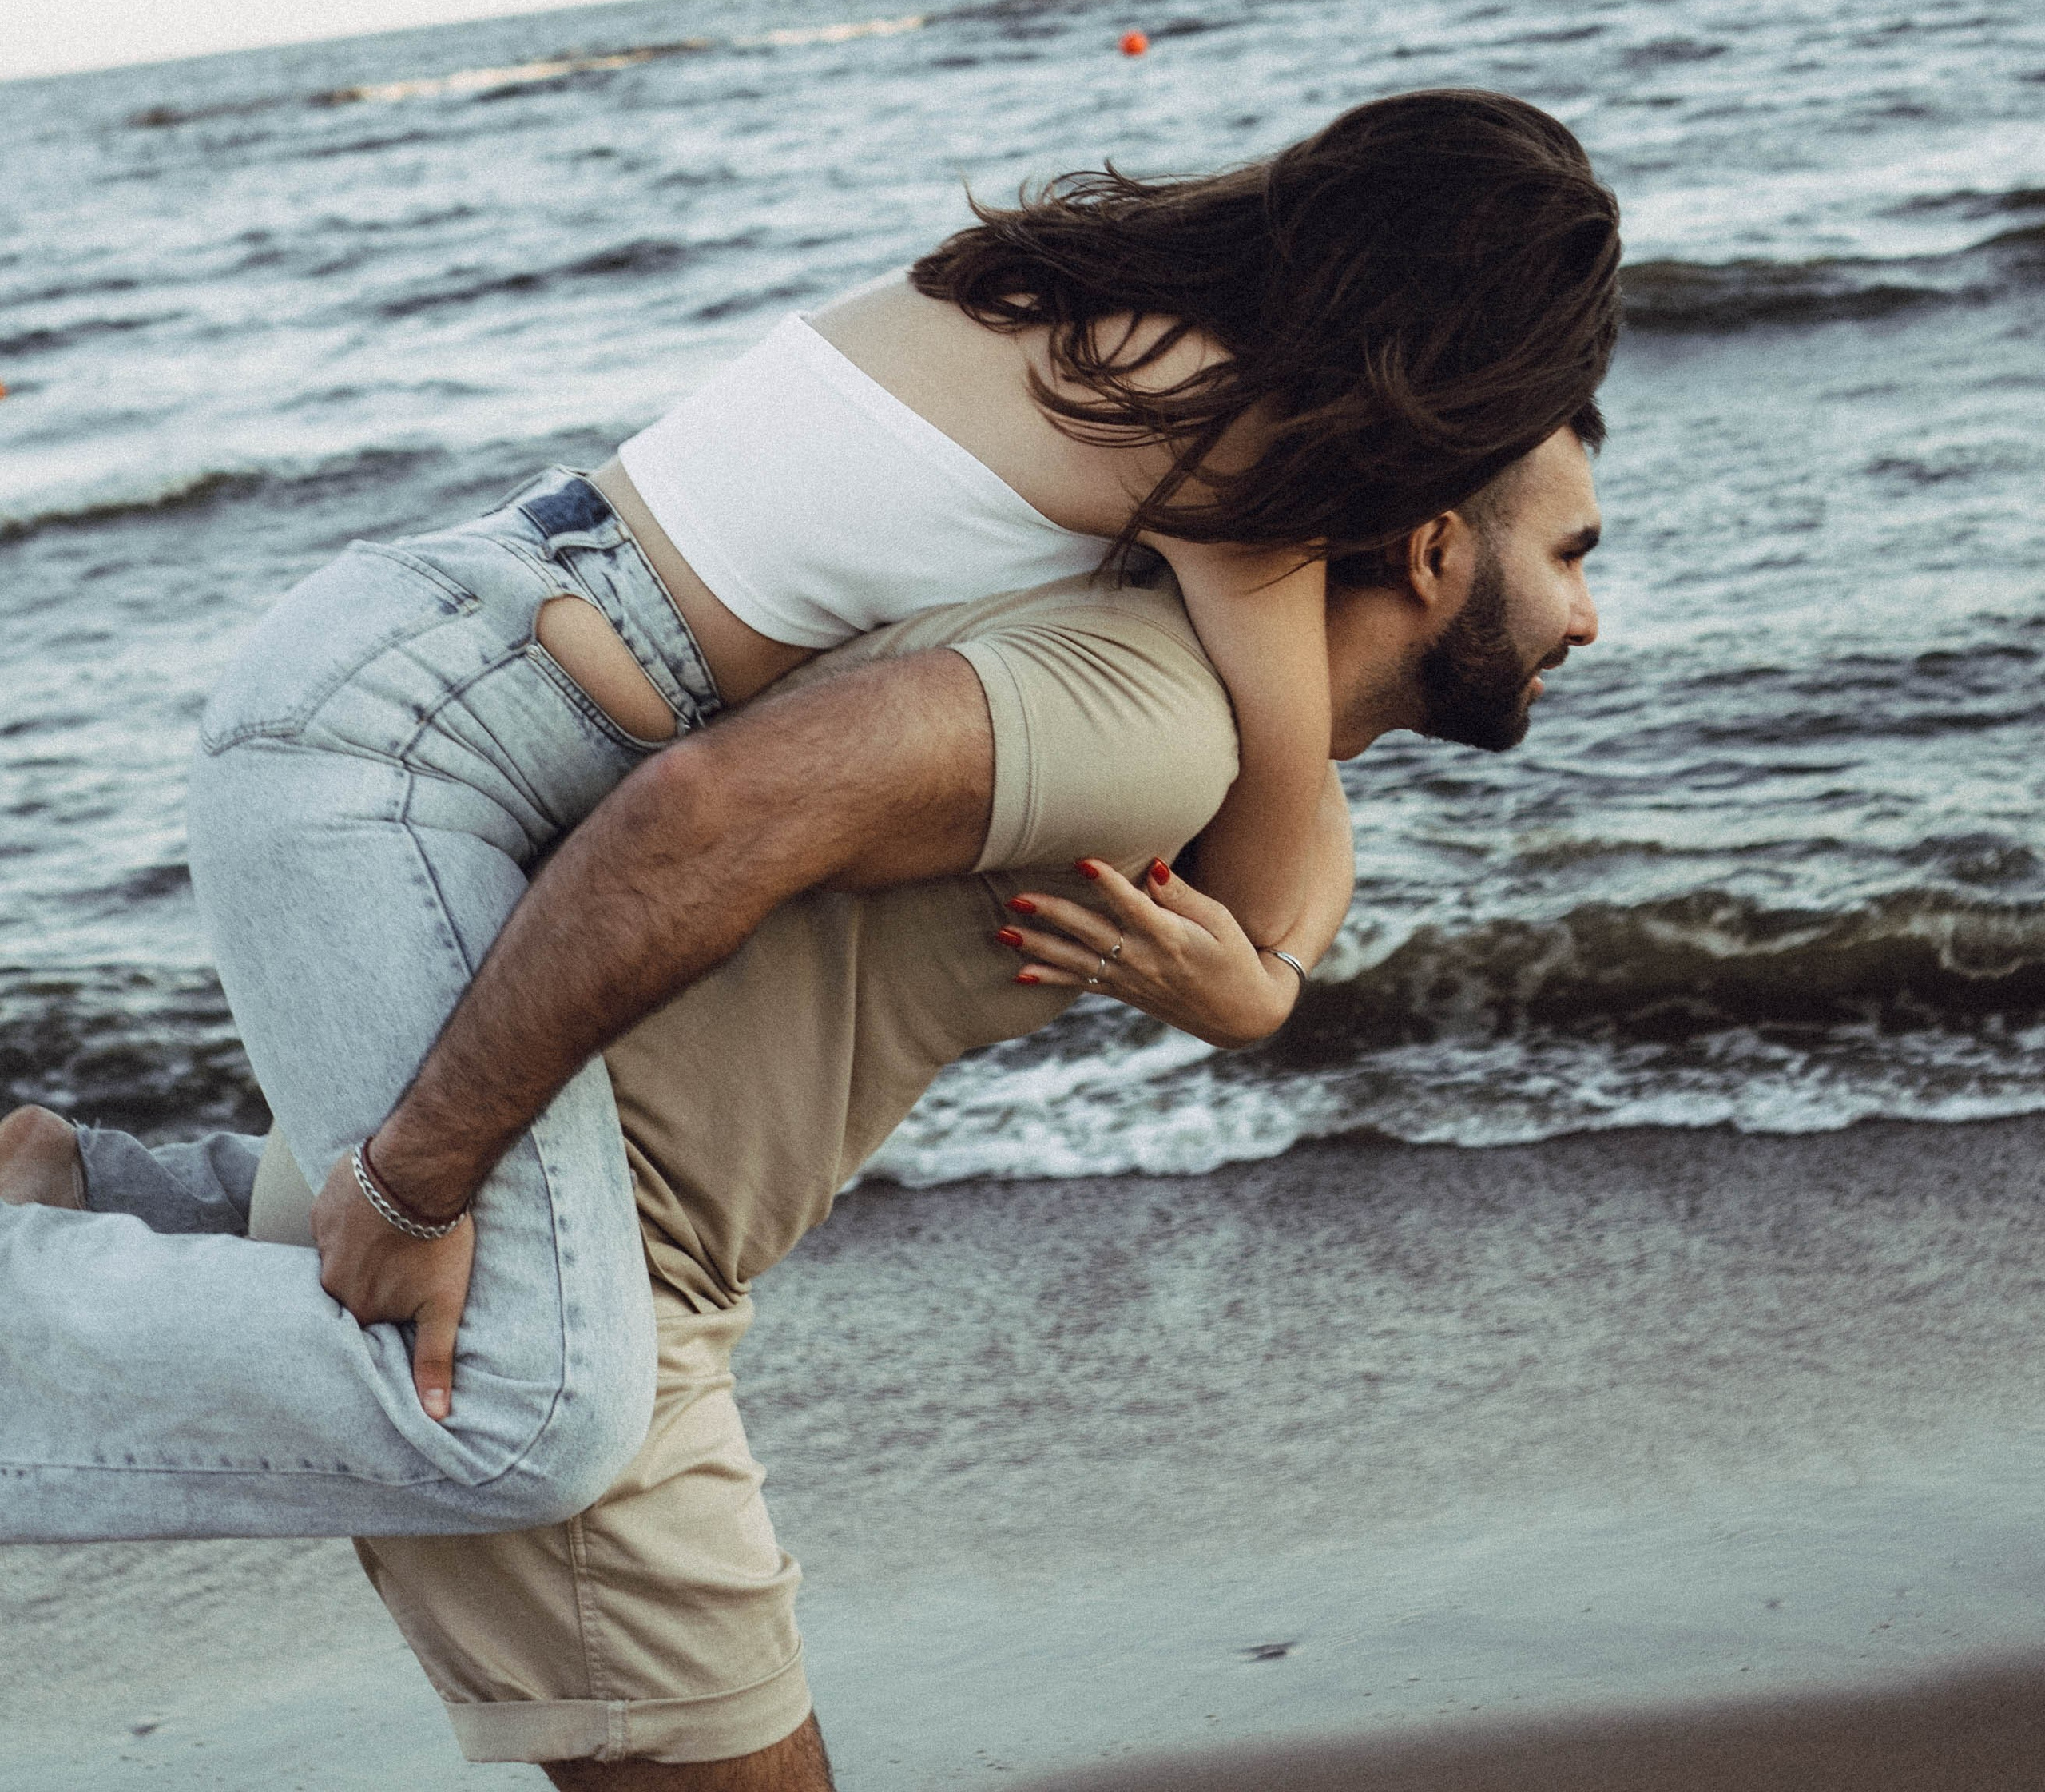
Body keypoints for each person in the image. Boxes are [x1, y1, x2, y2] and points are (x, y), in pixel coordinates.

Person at [0, 89, 1618, 1544]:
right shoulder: (1222, 421)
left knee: (488, 1306)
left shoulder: (1117, 320)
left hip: (430, 675)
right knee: (519, 1416)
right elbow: (1283, 827)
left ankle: (100, 1189)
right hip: (399, 748)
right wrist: (1259, 989)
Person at [5, 417, 1605, 1785]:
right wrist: (430, 1176)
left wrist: (1267, 980)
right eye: (1572, 554)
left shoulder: (1188, 709)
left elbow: (1290, 813)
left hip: (580, 1236)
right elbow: (701, 814)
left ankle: (118, 1193)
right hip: (575, 1294)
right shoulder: (1154, 716)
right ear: (1425, 553)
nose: (1587, 616)